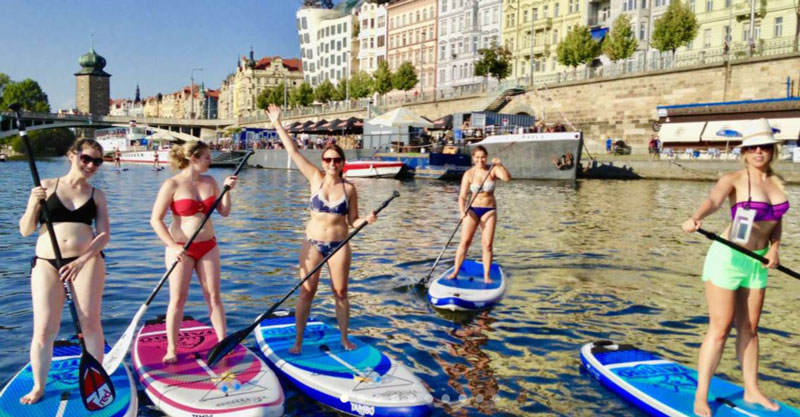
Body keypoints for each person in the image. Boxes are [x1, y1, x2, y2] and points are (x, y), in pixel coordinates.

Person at [681, 119, 786, 417]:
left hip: (758, 262)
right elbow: (713, 199)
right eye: (752, 147)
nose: (758, 151)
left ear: (772, 149)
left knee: (750, 329)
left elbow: (777, 222)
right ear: (744, 151)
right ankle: (701, 396)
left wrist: (775, 249)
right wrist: (696, 217)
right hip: (728, 258)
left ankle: (752, 389)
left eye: (764, 146)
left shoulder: (777, 183)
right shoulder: (734, 179)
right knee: (720, 328)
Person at [265, 104, 377, 354]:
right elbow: (293, 152)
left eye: (337, 160)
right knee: (307, 291)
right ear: (323, 162)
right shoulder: (314, 177)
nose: (332, 163)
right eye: (328, 159)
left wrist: (365, 221)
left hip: (339, 245)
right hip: (313, 243)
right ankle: (298, 341)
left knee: (340, 291)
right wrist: (277, 124)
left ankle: (345, 338)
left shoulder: (349, 189)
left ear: (342, 163)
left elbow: (353, 221)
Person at [18, 139, 110, 404]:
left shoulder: (97, 194)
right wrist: (35, 204)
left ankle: (96, 379)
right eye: (86, 158)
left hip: (87, 262)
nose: (91, 165)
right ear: (72, 155)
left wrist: (81, 261)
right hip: (47, 262)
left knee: (89, 321)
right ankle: (38, 387)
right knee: (45, 328)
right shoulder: (46, 186)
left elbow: (103, 235)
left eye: (97, 161)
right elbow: (25, 230)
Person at [150, 140, 238, 363]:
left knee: (214, 296)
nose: (211, 160)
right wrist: (172, 245)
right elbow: (155, 220)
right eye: (207, 157)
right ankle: (172, 348)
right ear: (194, 158)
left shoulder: (211, 181)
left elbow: (225, 212)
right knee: (178, 299)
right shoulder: (172, 184)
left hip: (208, 245)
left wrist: (227, 190)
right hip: (181, 249)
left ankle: (222, 342)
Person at [449, 145, 511, 283]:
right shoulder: (469, 174)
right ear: (473, 158)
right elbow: (462, 196)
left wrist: (500, 165)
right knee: (465, 242)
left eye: (483, 157)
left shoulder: (492, 170)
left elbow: (507, 179)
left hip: (489, 210)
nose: (480, 160)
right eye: (477, 157)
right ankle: (455, 272)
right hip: (472, 210)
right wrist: (461, 211)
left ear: (486, 157)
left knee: (487, 245)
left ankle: (487, 275)